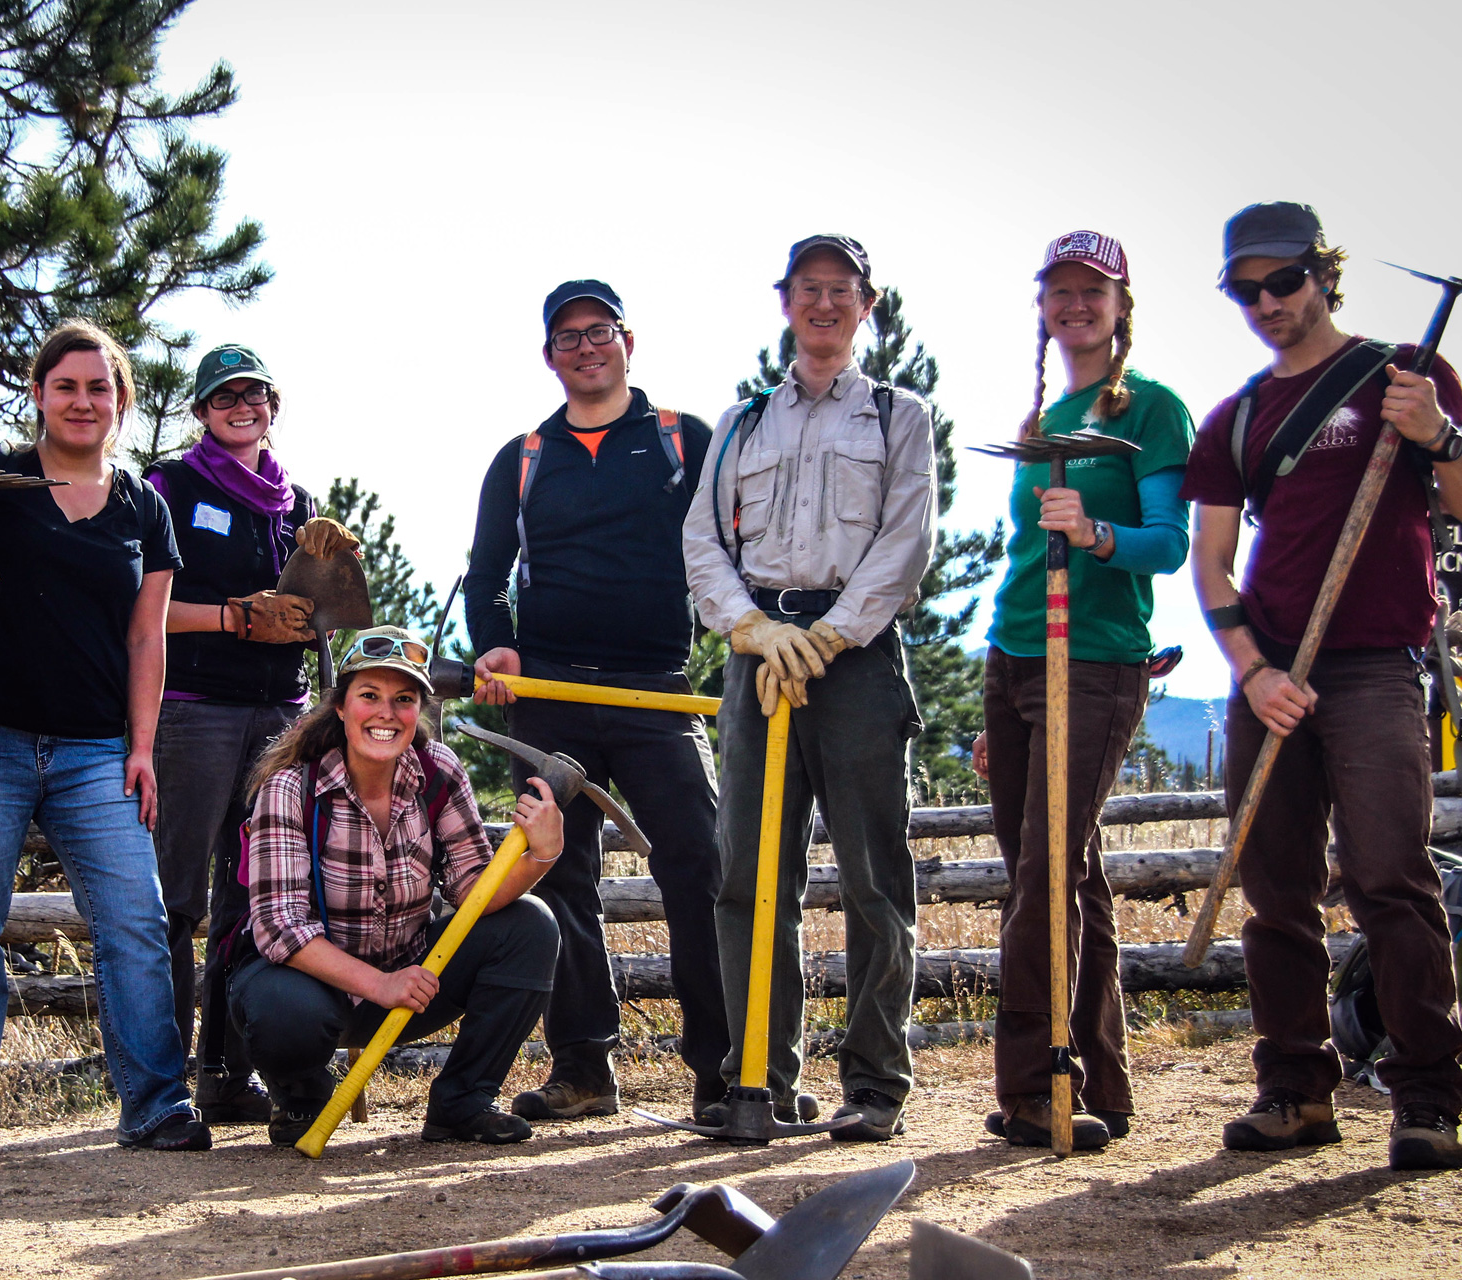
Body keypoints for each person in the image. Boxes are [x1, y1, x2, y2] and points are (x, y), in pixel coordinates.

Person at [0, 319, 209, 1153]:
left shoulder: (147, 506)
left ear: (121, 401)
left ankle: (156, 1103)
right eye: (65, 386)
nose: (82, 401)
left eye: (99, 387)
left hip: (98, 747)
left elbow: (148, 638)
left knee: (135, 916)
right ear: (38, 394)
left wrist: (142, 746)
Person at [1182, 201, 1462, 1171]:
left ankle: (1429, 1094)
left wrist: (1440, 436)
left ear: (1322, 273)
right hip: (1271, 677)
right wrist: (1252, 671)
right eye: (1246, 288)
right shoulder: (1238, 420)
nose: (1266, 302)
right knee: (1277, 893)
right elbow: (1212, 564)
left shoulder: (1410, 378)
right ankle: (1297, 1087)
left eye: (1283, 281)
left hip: (1379, 665)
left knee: (1392, 875)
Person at [682, 235, 936, 1139]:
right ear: (785, 301)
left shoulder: (899, 415)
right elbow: (703, 540)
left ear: (866, 306)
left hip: (854, 654)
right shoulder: (744, 423)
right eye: (808, 289)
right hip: (759, 653)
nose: (823, 304)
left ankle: (874, 1086)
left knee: (874, 877)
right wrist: (751, 629)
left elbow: (907, 540)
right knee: (748, 876)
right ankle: (757, 1079)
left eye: (842, 291)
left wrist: (827, 635)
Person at [464, 280, 729, 1122]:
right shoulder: (524, 456)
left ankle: (722, 1072)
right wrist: (495, 642)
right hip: (552, 695)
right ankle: (583, 1068)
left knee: (698, 859)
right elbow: (485, 571)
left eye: (600, 331)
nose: (586, 347)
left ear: (627, 340)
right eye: (569, 337)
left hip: (660, 692)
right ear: (550, 355)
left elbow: (730, 546)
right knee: (557, 873)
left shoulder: (683, 439)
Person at [970, 231, 1193, 1150]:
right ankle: (1105, 1084)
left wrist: (1097, 530)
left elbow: (1168, 544)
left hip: (1095, 659)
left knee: (1042, 873)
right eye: (1060, 290)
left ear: (1121, 301)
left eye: (1091, 291)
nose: (1075, 305)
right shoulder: (1043, 419)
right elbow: (1026, 552)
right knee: (1077, 879)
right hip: (1014, 657)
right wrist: (1000, 702)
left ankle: (1033, 1087)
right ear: (1043, 306)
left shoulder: (1152, 409)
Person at [231, 626, 565, 1146]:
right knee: (284, 1012)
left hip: (411, 980)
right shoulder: (291, 787)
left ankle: (463, 1101)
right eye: (370, 696)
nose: (386, 713)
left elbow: (474, 891)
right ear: (340, 708)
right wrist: (379, 984)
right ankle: (301, 1099)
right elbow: (279, 928)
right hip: (310, 989)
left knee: (531, 926)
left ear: (419, 711)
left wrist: (542, 853)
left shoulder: (438, 772)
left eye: (403, 699)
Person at [143, 343, 359, 1124]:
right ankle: (157, 1084)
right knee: (173, 901)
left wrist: (336, 580)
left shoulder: (297, 504)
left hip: (280, 718)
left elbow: (326, 622)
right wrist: (233, 616)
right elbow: (137, 609)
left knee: (253, 896)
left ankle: (228, 1075)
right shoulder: (167, 487)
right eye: (226, 395)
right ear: (201, 410)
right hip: (191, 711)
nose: (244, 406)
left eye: (257, 394)